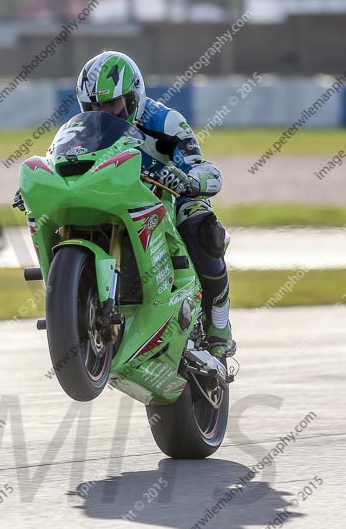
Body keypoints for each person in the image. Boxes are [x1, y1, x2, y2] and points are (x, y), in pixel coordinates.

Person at [14, 51, 236, 358]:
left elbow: (204, 168)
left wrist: (189, 181)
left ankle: (218, 326)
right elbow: (60, 163)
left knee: (202, 227)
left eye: (111, 103)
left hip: (163, 201)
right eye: (93, 106)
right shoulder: (79, 129)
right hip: (107, 199)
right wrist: (32, 188)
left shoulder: (165, 122)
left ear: (133, 96)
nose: (103, 111)